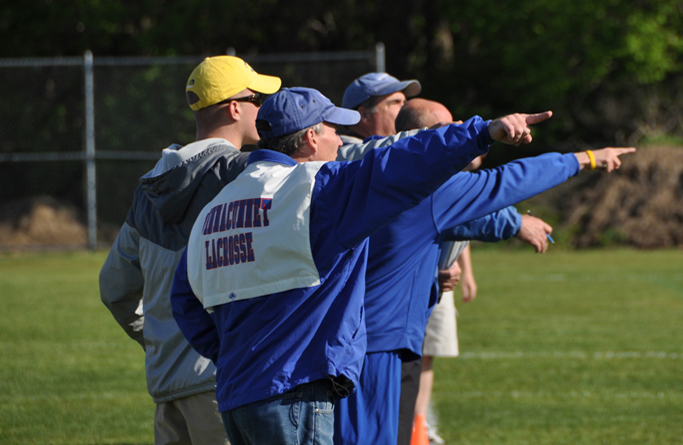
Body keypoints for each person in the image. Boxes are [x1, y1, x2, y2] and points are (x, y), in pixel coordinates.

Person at [170, 87, 548, 445]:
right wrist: (484, 132)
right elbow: (404, 162)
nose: (341, 138)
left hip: (239, 395)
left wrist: (233, 353)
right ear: (310, 138)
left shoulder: (218, 206)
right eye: (333, 128)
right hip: (292, 393)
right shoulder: (318, 186)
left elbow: (184, 300)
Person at [335, 98, 635, 444]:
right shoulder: (426, 187)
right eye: (452, 129)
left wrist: (430, 281)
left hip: (341, 339)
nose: (460, 132)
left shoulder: (360, 166)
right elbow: (509, 181)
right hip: (379, 347)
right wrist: (586, 158)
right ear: (432, 138)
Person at [99, 55, 281, 445]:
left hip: (167, 386)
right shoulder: (245, 175)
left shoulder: (151, 186)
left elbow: (114, 287)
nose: (263, 110)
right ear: (235, 107)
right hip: (224, 382)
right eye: (257, 100)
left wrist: (160, 336)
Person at [396, 98, 555, 445]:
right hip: (395, 307)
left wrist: (461, 270)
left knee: (421, 363)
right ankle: (412, 431)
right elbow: (488, 198)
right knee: (402, 374)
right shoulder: (392, 170)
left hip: (427, 287)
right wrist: (580, 161)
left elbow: (461, 222)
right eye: (390, 101)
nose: (457, 130)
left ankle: (418, 428)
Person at [337, 72, 422, 161]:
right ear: (364, 115)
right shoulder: (341, 155)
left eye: (404, 102)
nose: (406, 107)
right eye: (395, 102)